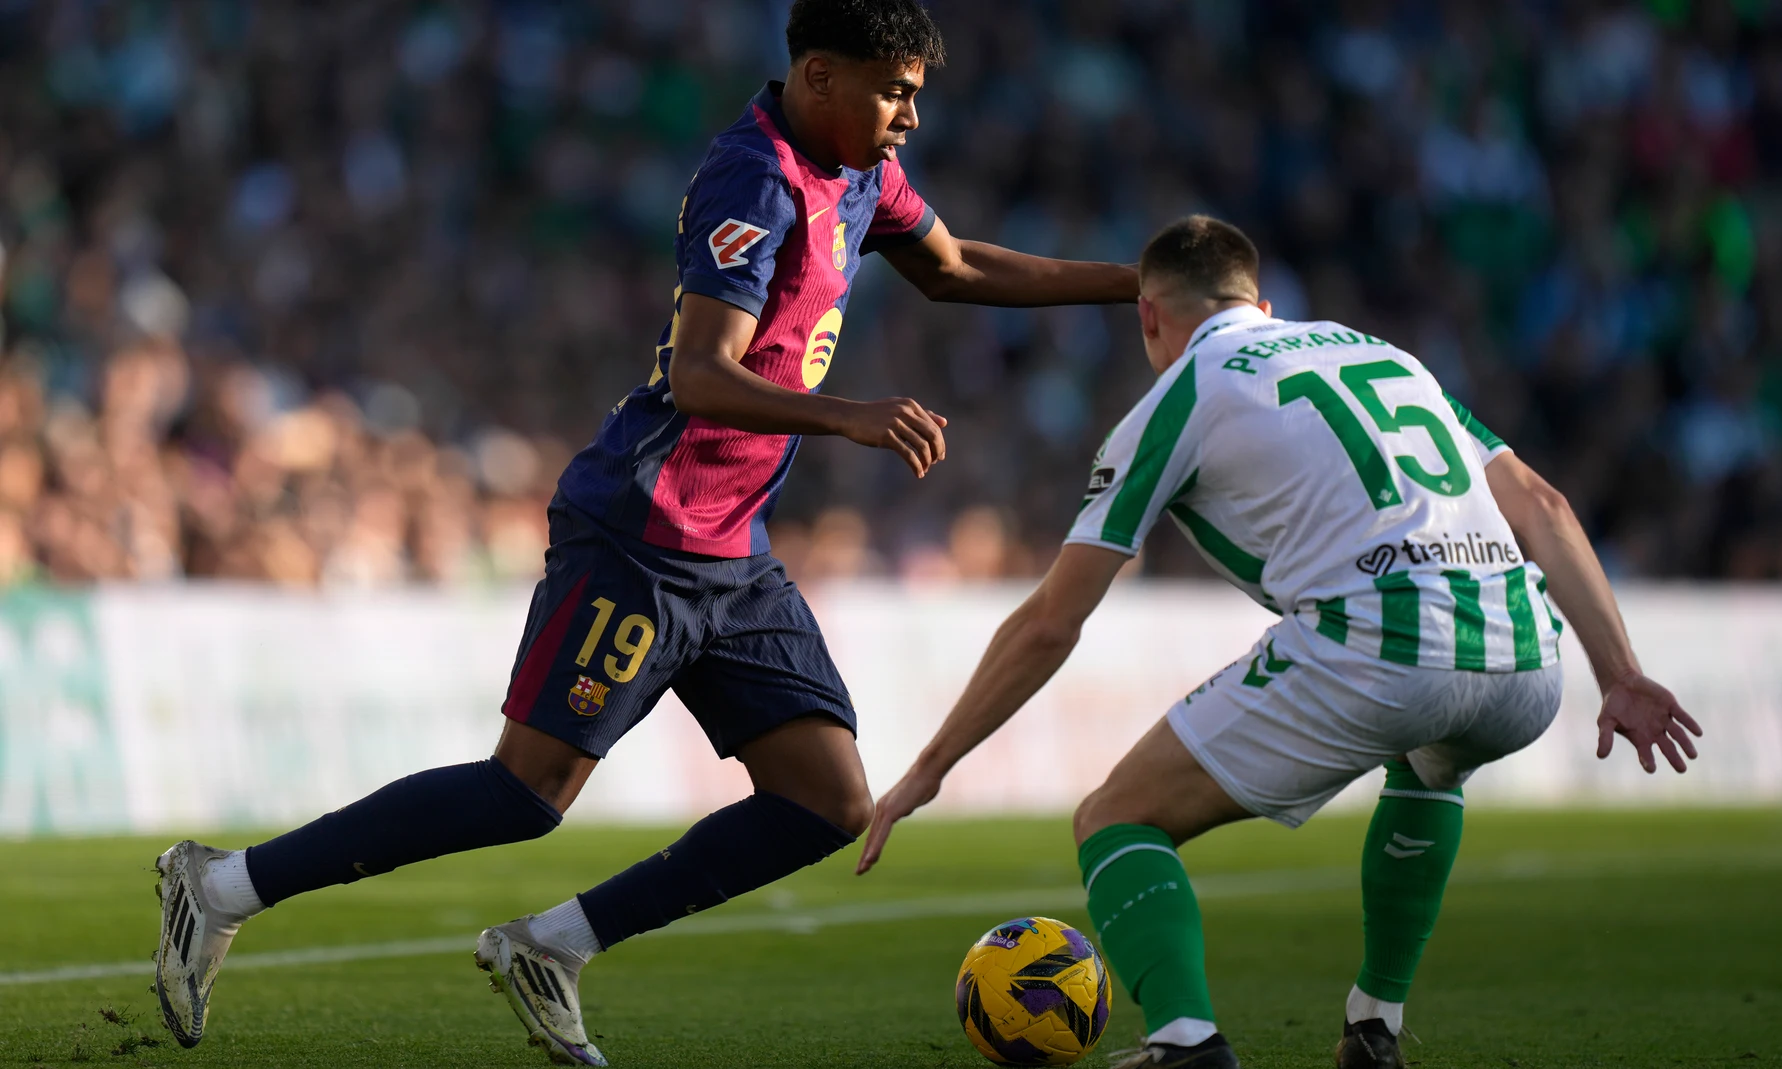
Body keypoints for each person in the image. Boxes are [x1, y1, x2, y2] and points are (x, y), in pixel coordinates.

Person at [152, 2, 1138, 1063]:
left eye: (914, 96)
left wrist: (1139, 286)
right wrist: (848, 415)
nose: (909, 117)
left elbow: (952, 267)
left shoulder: (859, 172)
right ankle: (222, 884)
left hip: (733, 549)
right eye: (894, 93)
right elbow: (702, 373)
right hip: (644, 529)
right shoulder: (753, 179)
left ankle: (553, 944)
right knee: (524, 794)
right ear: (819, 76)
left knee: (827, 798)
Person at [856, 216, 1702, 1069]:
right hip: (1525, 654)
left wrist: (932, 762)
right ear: (1262, 305)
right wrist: (1620, 674)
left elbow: (1051, 620)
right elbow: (1544, 507)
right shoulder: (1386, 357)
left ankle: (1185, 1040)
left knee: (1116, 817)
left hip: (1381, 646)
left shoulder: (1180, 396)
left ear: (1147, 315)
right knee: (1430, 764)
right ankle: (1374, 1023)